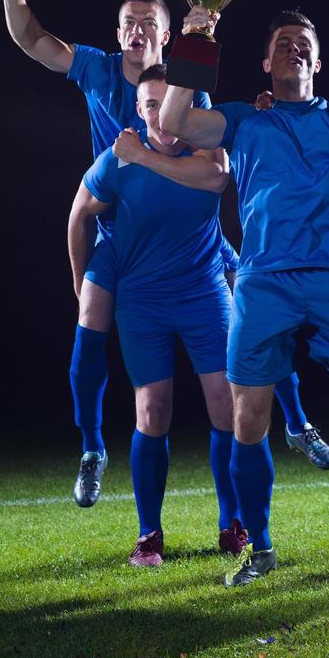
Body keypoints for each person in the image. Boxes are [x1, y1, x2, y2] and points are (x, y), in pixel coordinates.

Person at [2, 0, 329, 509]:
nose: (137, 30)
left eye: (148, 22)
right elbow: (32, 38)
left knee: (256, 308)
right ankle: (91, 450)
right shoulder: (98, 69)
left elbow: (216, 157)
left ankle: (297, 421)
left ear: (166, 34)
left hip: (193, 236)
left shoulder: (189, 87)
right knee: (89, 319)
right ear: (119, 32)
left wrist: (257, 109)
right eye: (129, 21)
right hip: (123, 237)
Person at [159, 8, 329, 587]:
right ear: (264, 62)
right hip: (263, 283)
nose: (293, 50)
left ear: (319, 61)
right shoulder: (242, 119)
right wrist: (196, 40)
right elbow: (175, 118)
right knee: (247, 423)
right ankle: (260, 548)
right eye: (282, 43)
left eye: (304, 43)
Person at [67, 65, 246, 565]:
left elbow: (216, 179)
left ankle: (233, 523)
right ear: (139, 111)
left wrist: (143, 154)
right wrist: (81, 285)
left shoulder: (204, 151)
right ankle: (149, 534)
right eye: (149, 105)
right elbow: (79, 215)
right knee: (152, 412)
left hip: (204, 292)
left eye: (168, 104)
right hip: (142, 300)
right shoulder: (116, 163)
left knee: (227, 408)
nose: (161, 115)